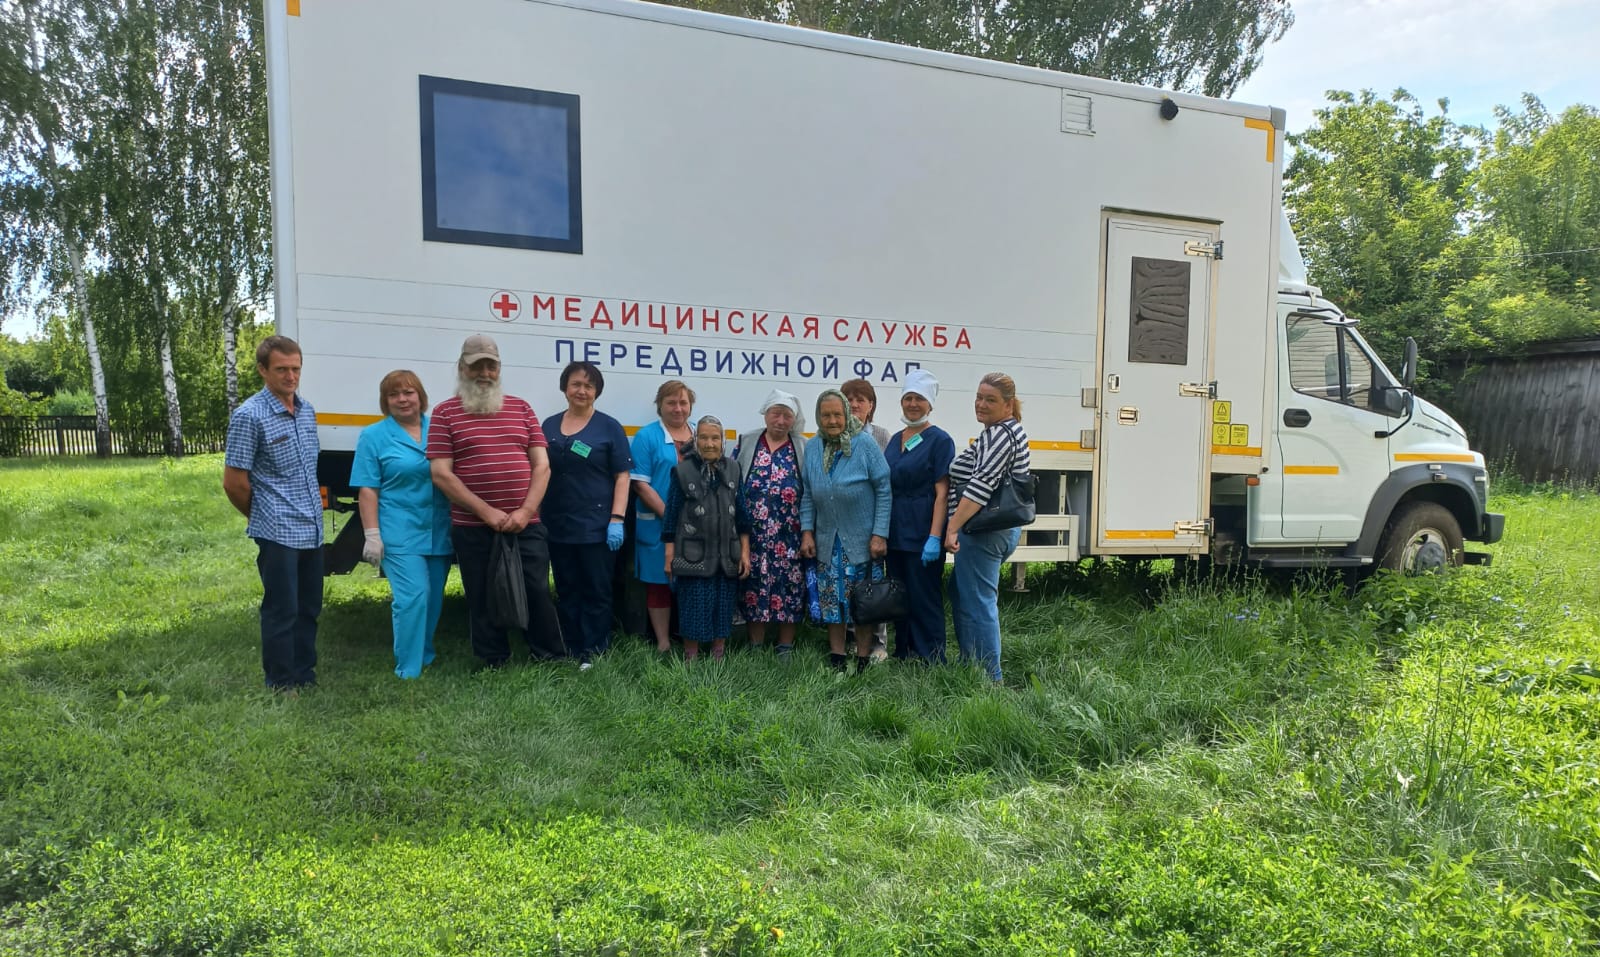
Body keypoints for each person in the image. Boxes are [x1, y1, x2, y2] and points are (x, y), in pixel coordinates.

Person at [427, 334, 566, 669]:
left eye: (491, 366)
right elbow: (441, 474)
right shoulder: (444, 413)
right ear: (462, 368)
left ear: (499, 369)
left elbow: (542, 466)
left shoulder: (522, 408)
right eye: (477, 366)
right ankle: (494, 660)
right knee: (481, 593)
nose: (484, 373)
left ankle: (549, 656)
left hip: (526, 523)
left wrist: (526, 511)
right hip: (473, 525)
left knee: (536, 589)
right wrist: (486, 512)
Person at [223, 335, 323, 693]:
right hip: (277, 530)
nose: (290, 376)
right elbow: (234, 483)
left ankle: (304, 674)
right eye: (282, 369)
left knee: (309, 607)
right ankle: (281, 682)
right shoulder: (249, 416)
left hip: (311, 527)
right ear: (263, 370)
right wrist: (263, 516)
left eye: (296, 369)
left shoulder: (307, 411)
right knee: (282, 609)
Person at [351, 370, 453, 679]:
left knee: (433, 599)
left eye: (408, 392)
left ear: (420, 396)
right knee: (414, 596)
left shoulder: (439, 429)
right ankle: (408, 669)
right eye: (394, 394)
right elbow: (368, 490)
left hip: (438, 529)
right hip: (398, 530)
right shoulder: (373, 436)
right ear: (385, 401)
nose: (402, 399)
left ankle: (424, 653)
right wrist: (372, 535)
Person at [541, 361, 633, 669]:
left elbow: (622, 476)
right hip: (557, 524)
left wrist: (617, 519)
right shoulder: (548, 425)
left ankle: (593, 650)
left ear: (597, 392)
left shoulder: (609, 427)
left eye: (589, 386)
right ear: (565, 388)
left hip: (596, 525)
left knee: (596, 589)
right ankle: (570, 645)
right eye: (576, 384)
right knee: (566, 587)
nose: (582, 390)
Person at [943, 372, 1030, 683]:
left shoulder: (1000, 435)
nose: (981, 404)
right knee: (961, 591)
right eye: (979, 397)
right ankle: (970, 663)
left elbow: (980, 487)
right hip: (997, 529)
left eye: (990, 399)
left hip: (984, 530)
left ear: (1008, 404)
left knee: (978, 601)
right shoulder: (1002, 431)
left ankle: (990, 677)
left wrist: (952, 527)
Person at [800, 389, 891, 673]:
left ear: (847, 415)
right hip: (828, 541)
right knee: (832, 604)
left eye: (837, 414)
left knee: (862, 603)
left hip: (862, 542)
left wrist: (879, 534)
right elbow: (807, 494)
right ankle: (837, 657)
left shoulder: (864, 444)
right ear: (819, 417)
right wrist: (807, 532)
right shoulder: (813, 447)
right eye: (826, 415)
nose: (832, 420)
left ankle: (863, 659)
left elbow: (884, 489)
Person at [662, 415, 751, 661]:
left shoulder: (734, 469)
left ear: (722, 441)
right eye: (703, 437)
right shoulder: (682, 471)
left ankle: (718, 657)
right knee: (693, 607)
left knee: (723, 607)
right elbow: (671, 516)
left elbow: (743, 516)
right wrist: (669, 555)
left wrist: (745, 553)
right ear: (695, 440)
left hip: (727, 555)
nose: (709, 443)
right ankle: (690, 658)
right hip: (692, 554)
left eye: (715, 438)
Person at [884, 369, 956, 662]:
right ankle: (904, 652)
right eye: (908, 398)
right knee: (899, 596)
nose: (913, 404)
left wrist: (935, 537)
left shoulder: (940, 440)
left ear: (930, 404)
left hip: (922, 531)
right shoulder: (895, 440)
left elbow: (943, 493)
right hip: (895, 532)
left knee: (924, 596)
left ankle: (932, 657)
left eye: (919, 399)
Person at [734, 389, 807, 656]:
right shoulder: (748, 441)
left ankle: (785, 646)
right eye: (776, 413)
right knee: (754, 586)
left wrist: (807, 532)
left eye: (787, 416)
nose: (781, 420)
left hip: (790, 535)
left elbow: (810, 491)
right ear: (765, 414)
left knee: (790, 587)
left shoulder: (802, 446)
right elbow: (734, 482)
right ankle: (755, 645)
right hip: (753, 535)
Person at [629, 380, 695, 653]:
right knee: (659, 583)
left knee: (693, 580)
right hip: (656, 523)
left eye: (683, 402)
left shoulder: (700, 434)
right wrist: (670, 517)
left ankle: (690, 637)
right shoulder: (646, 437)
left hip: (697, 526)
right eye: (671, 403)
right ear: (660, 405)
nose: (678, 408)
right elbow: (640, 484)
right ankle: (663, 643)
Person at [840, 378, 892, 661]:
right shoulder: (835, 436)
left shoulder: (882, 436)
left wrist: (880, 530)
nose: (854, 404)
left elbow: (886, 485)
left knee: (874, 586)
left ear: (871, 405)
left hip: (873, 525)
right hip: (844, 526)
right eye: (849, 399)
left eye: (861, 399)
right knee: (848, 585)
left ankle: (878, 643)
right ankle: (851, 638)